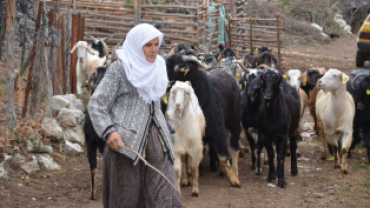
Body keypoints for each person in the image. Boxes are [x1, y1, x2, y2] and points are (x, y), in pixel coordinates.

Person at [87, 23, 183, 208]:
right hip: (125, 148)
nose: (154, 50)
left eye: (157, 44)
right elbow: (97, 104)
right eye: (148, 45)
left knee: (166, 199)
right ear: (136, 45)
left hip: (159, 145)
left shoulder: (159, 66)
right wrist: (109, 131)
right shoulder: (119, 70)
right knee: (127, 201)